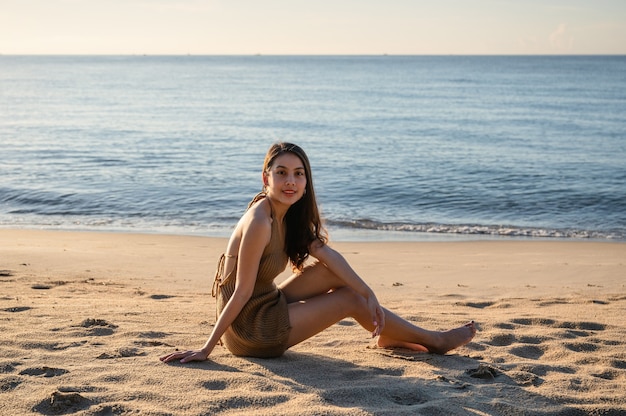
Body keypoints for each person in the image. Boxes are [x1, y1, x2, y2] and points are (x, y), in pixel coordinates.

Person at [160, 142, 476, 364]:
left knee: (336, 276)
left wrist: (370, 293)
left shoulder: (287, 215)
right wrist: (206, 349)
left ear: (307, 180)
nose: (290, 181)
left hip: (264, 302)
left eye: (299, 174)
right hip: (251, 329)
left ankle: (388, 335)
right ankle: (434, 341)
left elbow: (330, 258)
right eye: (281, 172)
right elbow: (240, 293)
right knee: (348, 299)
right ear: (265, 177)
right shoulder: (259, 220)